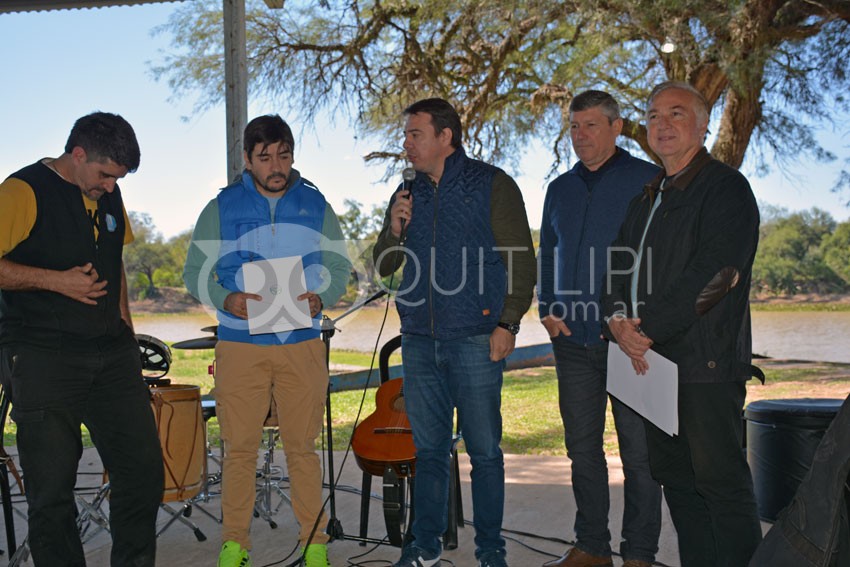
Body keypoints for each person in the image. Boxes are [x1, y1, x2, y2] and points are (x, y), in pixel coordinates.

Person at [602, 81, 763, 567]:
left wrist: (645, 329)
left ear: (703, 124)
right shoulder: (647, 196)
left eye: (676, 113)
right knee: (678, 482)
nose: (662, 124)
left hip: (704, 368)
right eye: (653, 116)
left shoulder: (725, 187)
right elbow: (617, 268)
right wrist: (615, 322)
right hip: (650, 368)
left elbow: (717, 274)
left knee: (722, 487)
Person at [373, 98, 536, 567]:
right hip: (420, 339)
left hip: (476, 336)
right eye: (405, 135)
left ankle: (490, 550)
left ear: (445, 137)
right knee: (428, 450)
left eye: (414, 135)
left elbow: (520, 259)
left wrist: (507, 322)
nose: (406, 145)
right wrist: (393, 228)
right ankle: (424, 546)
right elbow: (386, 268)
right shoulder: (406, 194)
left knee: (484, 451)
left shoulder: (491, 184)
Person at [183, 114, 351, 567]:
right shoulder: (221, 206)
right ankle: (235, 544)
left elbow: (339, 271)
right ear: (247, 159)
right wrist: (227, 298)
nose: (276, 165)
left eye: (284, 154)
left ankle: (315, 544)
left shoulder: (316, 205)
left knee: (302, 448)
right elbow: (194, 274)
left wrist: (322, 298)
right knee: (239, 450)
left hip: (302, 345)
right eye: (265, 157)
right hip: (240, 346)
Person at [0, 112, 164, 566]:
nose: (111, 187)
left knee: (142, 473)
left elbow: (117, 267)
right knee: (51, 494)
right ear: (77, 155)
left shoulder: (111, 196)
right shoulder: (21, 192)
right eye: (106, 174)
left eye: (118, 178)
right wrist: (55, 281)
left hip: (111, 354)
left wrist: (127, 332)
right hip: (41, 355)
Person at [537, 90, 662, 567]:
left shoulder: (647, 180)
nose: (580, 135)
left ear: (616, 127)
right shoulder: (559, 188)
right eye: (573, 126)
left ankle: (640, 554)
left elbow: (661, 257)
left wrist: (644, 320)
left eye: (590, 125)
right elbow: (547, 252)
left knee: (640, 456)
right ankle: (592, 546)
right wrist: (547, 307)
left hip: (628, 342)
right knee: (582, 450)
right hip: (571, 342)